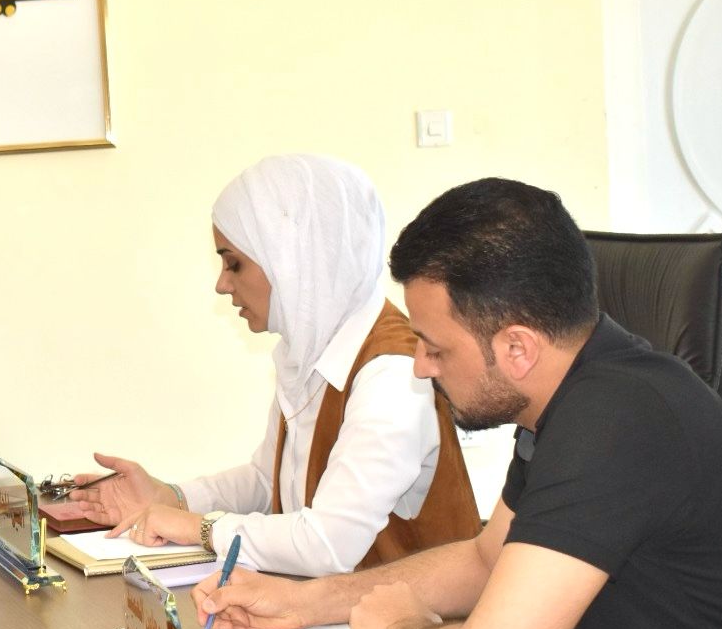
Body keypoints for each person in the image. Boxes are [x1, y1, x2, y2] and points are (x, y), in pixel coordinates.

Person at [194, 178, 722, 629]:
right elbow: (485, 560)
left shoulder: (616, 420)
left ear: (517, 347)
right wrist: (307, 601)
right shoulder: (570, 399)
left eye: (435, 347)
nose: (420, 367)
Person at [72, 154, 479, 575]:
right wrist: (172, 497)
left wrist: (198, 527)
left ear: (292, 258)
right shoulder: (310, 352)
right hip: (337, 609)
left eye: (234, 263)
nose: (222, 284)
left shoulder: (393, 371)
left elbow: (327, 544)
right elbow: (269, 483)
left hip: (419, 614)